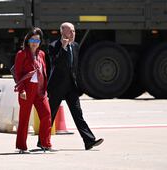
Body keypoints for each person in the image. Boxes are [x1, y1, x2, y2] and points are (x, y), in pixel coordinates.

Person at [47, 22, 104, 150]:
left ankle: (89, 140)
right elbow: (56, 64)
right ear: (63, 33)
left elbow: (74, 68)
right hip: (57, 86)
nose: (73, 33)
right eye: (70, 31)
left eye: (74, 31)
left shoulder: (76, 46)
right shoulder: (53, 46)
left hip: (71, 86)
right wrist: (63, 47)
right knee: (51, 115)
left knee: (78, 114)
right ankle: (43, 141)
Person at [14, 28, 52, 153]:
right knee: (24, 118)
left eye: (37, 40)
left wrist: (45, 88)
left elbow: (44, 72)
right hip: (26, 89)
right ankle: (21, 146)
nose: (34, 42)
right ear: (28, 40)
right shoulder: (22, 54)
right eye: (32, 39)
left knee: (46, 114)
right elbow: (18, 74)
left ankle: (46, 143)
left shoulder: (41, 54)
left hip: (40, 90)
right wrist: (21, 90)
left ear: (40, 41)